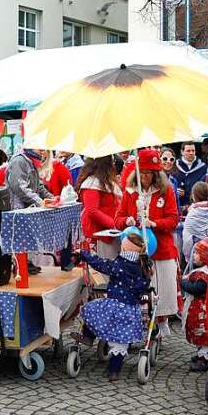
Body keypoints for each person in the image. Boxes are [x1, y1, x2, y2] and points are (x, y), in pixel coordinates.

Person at [114, 148, 179, 337]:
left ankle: (162, 320)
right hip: (136, 249)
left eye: (149, 173)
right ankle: (139, 323)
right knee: (139, 289)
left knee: (162, 286)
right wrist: (127, 221)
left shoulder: (166, 192)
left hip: (161, 248)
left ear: (156, 174)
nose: (144, 177)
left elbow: (173, 219)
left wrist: (154, 223)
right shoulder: (130, 192)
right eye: (141, 173)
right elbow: (118, 218)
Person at [75, 229, 153, 381]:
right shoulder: (142, 266)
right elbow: (143, 286)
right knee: (121, 342)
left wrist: (84, 254)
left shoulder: (120, 264)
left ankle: (88, 336)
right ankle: (113, 371)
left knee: (92, 311)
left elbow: (101, 264)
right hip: (130, 309)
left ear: (125, 248)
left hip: (114, 305)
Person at [180, 237, 208, 372]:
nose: (194, 255)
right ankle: (201, 354)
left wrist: (183, 283)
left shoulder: (205, 275)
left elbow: (197, 289)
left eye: (197, 253)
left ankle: (205, 359)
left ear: (205, 256)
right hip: (202, 309)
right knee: (200, 334)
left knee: (204, 334)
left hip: (204, 311)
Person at [77, 156, 121, 260]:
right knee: (103, 270)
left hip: (110, 232)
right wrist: (113, 224)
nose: (113, 164)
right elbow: (92, 211)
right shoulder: (91, 184)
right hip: (99, 233)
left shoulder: (105, 181)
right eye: (112, 161)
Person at [179, 181, 208, 268]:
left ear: (194, 196)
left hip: (197, 259)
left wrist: (190, 259)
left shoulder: (192, 214)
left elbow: (187, 241)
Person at [174, 142, 207, 214]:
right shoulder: (174, 166)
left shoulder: (203, 167)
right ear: (182, 152)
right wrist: (175, 190)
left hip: (197, 207)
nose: (191, 153)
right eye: (188, 151)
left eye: (193, 150)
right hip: (178, 206)